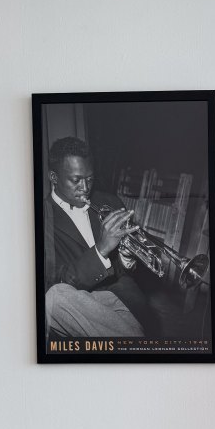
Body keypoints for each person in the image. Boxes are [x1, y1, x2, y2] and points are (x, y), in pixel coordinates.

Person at [43, 136, 147, 339]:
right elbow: (55, 280)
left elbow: (126, 274)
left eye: (89, 179)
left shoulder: (110, 202)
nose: (85, 188)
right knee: (53, 298)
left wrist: (126, 257)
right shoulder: (41, 218)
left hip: (120, 299)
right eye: (76, 180)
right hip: (75, 306)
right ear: (54, 177)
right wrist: (101, 250)